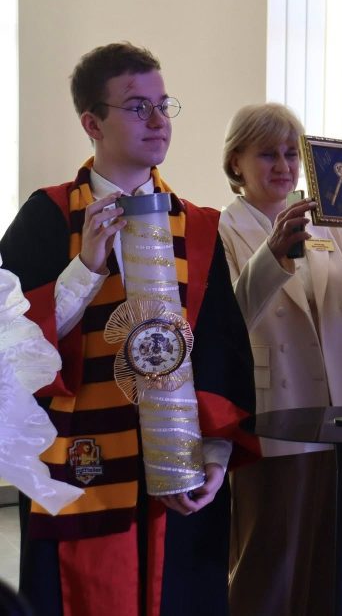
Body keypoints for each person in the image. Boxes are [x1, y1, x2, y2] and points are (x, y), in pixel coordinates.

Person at [0, 42, 259, 616]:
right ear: (92, 123)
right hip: (78, 467)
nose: (158, 120)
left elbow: (221, 353)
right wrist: (84, 268)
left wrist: (216, 454)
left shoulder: (197, 227)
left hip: (181, 470)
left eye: (164, 104)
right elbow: (11, 348)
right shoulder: (47, 217)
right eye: (138, 107)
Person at [218, 102, 342, 615]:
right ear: (236, 162)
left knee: (339, 550)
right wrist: (272, 254)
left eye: (290, 154)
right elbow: (229, 320)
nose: (283, 166)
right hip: (275, 414)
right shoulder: (223, 230)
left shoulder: (329, 222)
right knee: (272, 554)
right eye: (267, 154)